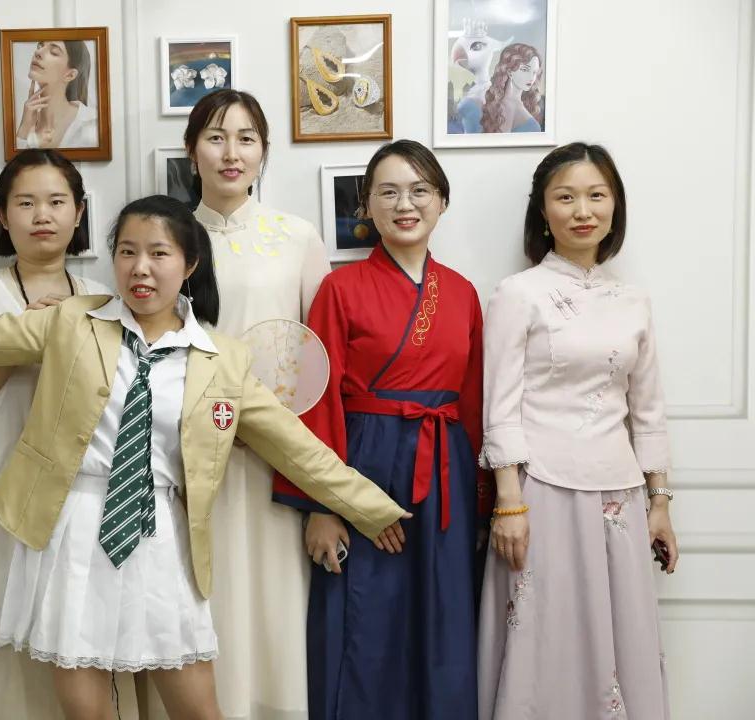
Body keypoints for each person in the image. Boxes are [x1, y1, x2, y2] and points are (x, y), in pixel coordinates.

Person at [0, 194, 413, 718]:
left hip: (161, 535)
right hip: (74, 530)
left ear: (189, 264)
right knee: (85, 708)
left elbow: (296, 446)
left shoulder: (222, 359)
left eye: (159, 253)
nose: (141, 268)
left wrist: (371, 508)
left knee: (197, 705)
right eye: (127, 251)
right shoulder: (71, 322)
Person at [274, 140, 490, 719]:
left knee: (443, 618)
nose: (405, 204)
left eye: (420, 191)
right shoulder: (339, 289)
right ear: (365, 205)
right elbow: (316, 400)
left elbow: (472, 403)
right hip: (362, 462)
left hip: (444, 471)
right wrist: (323, 507)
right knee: (364, 619)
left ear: (442, 201)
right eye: (388, 192)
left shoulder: (464, 293)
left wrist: (481, 502)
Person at [478, 142, 677, 720]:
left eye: (597, 195)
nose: (583, 211)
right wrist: (509, 503)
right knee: (547, 638)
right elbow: (500, 406)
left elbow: (648, 409)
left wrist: (659, 503)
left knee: (622, 637)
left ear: (615, 206)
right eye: (565, 197)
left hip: (620, 494)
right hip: (541, 493)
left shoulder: (633, 301)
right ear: (543, 211)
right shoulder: (518, 293)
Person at [0, 149, 117, 719]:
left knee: (71, 632)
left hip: (80, 493)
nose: (42, 215)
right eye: (26, 202)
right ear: (2, 215)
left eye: (57, 202)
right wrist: (27, 334)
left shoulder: (102, 296)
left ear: (79, 212)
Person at [179, 87, 330, 720]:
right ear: (192, 151)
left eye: (246, 139)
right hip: (185, 453)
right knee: (196, 598)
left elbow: (320, 356)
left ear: (264, 151)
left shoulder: (296, 237)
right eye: (215, 138)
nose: (231, 153)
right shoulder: (167, 235)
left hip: (273, 455)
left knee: (273, 601)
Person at [16, 40, 98, 150]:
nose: (38, 52)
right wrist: (24, 129)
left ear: (70, 75)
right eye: (40, 46)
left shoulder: (92, 124)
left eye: (54, 52)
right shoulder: (25, 120)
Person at [479, 43, 543, 133]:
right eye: (525, 69)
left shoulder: (530, 118)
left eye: (535, 72)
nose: (531, 77)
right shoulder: (491, 104)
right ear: (509, 71)